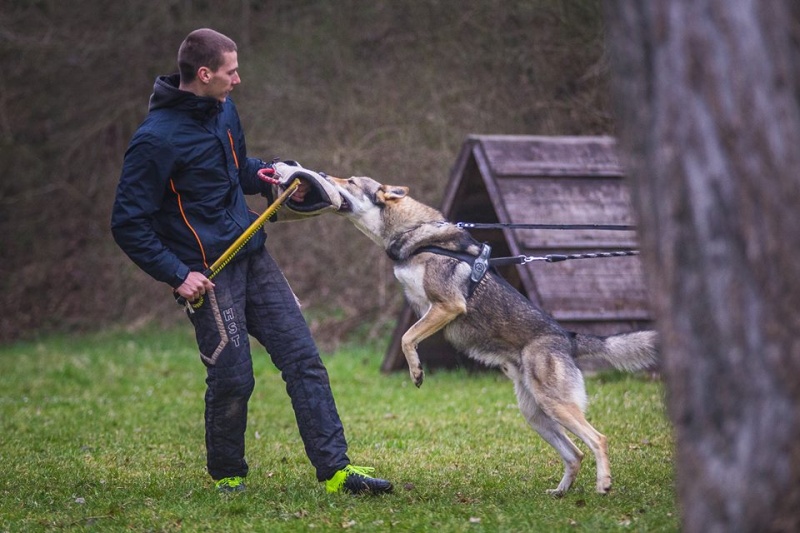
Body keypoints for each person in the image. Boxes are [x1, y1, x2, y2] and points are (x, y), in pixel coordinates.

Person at [111, 28, 392, 495]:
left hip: (253, 255)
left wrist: (273, 176)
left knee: (304, 360)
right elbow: (127, 223)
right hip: (210, 276)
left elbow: (235, 171)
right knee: (233, 378)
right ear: (204, 74)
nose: (238, 79)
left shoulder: (224, 111)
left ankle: (337, 471)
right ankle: (229, 478)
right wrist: (178, 275)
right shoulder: (154, 141)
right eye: (230, 71)